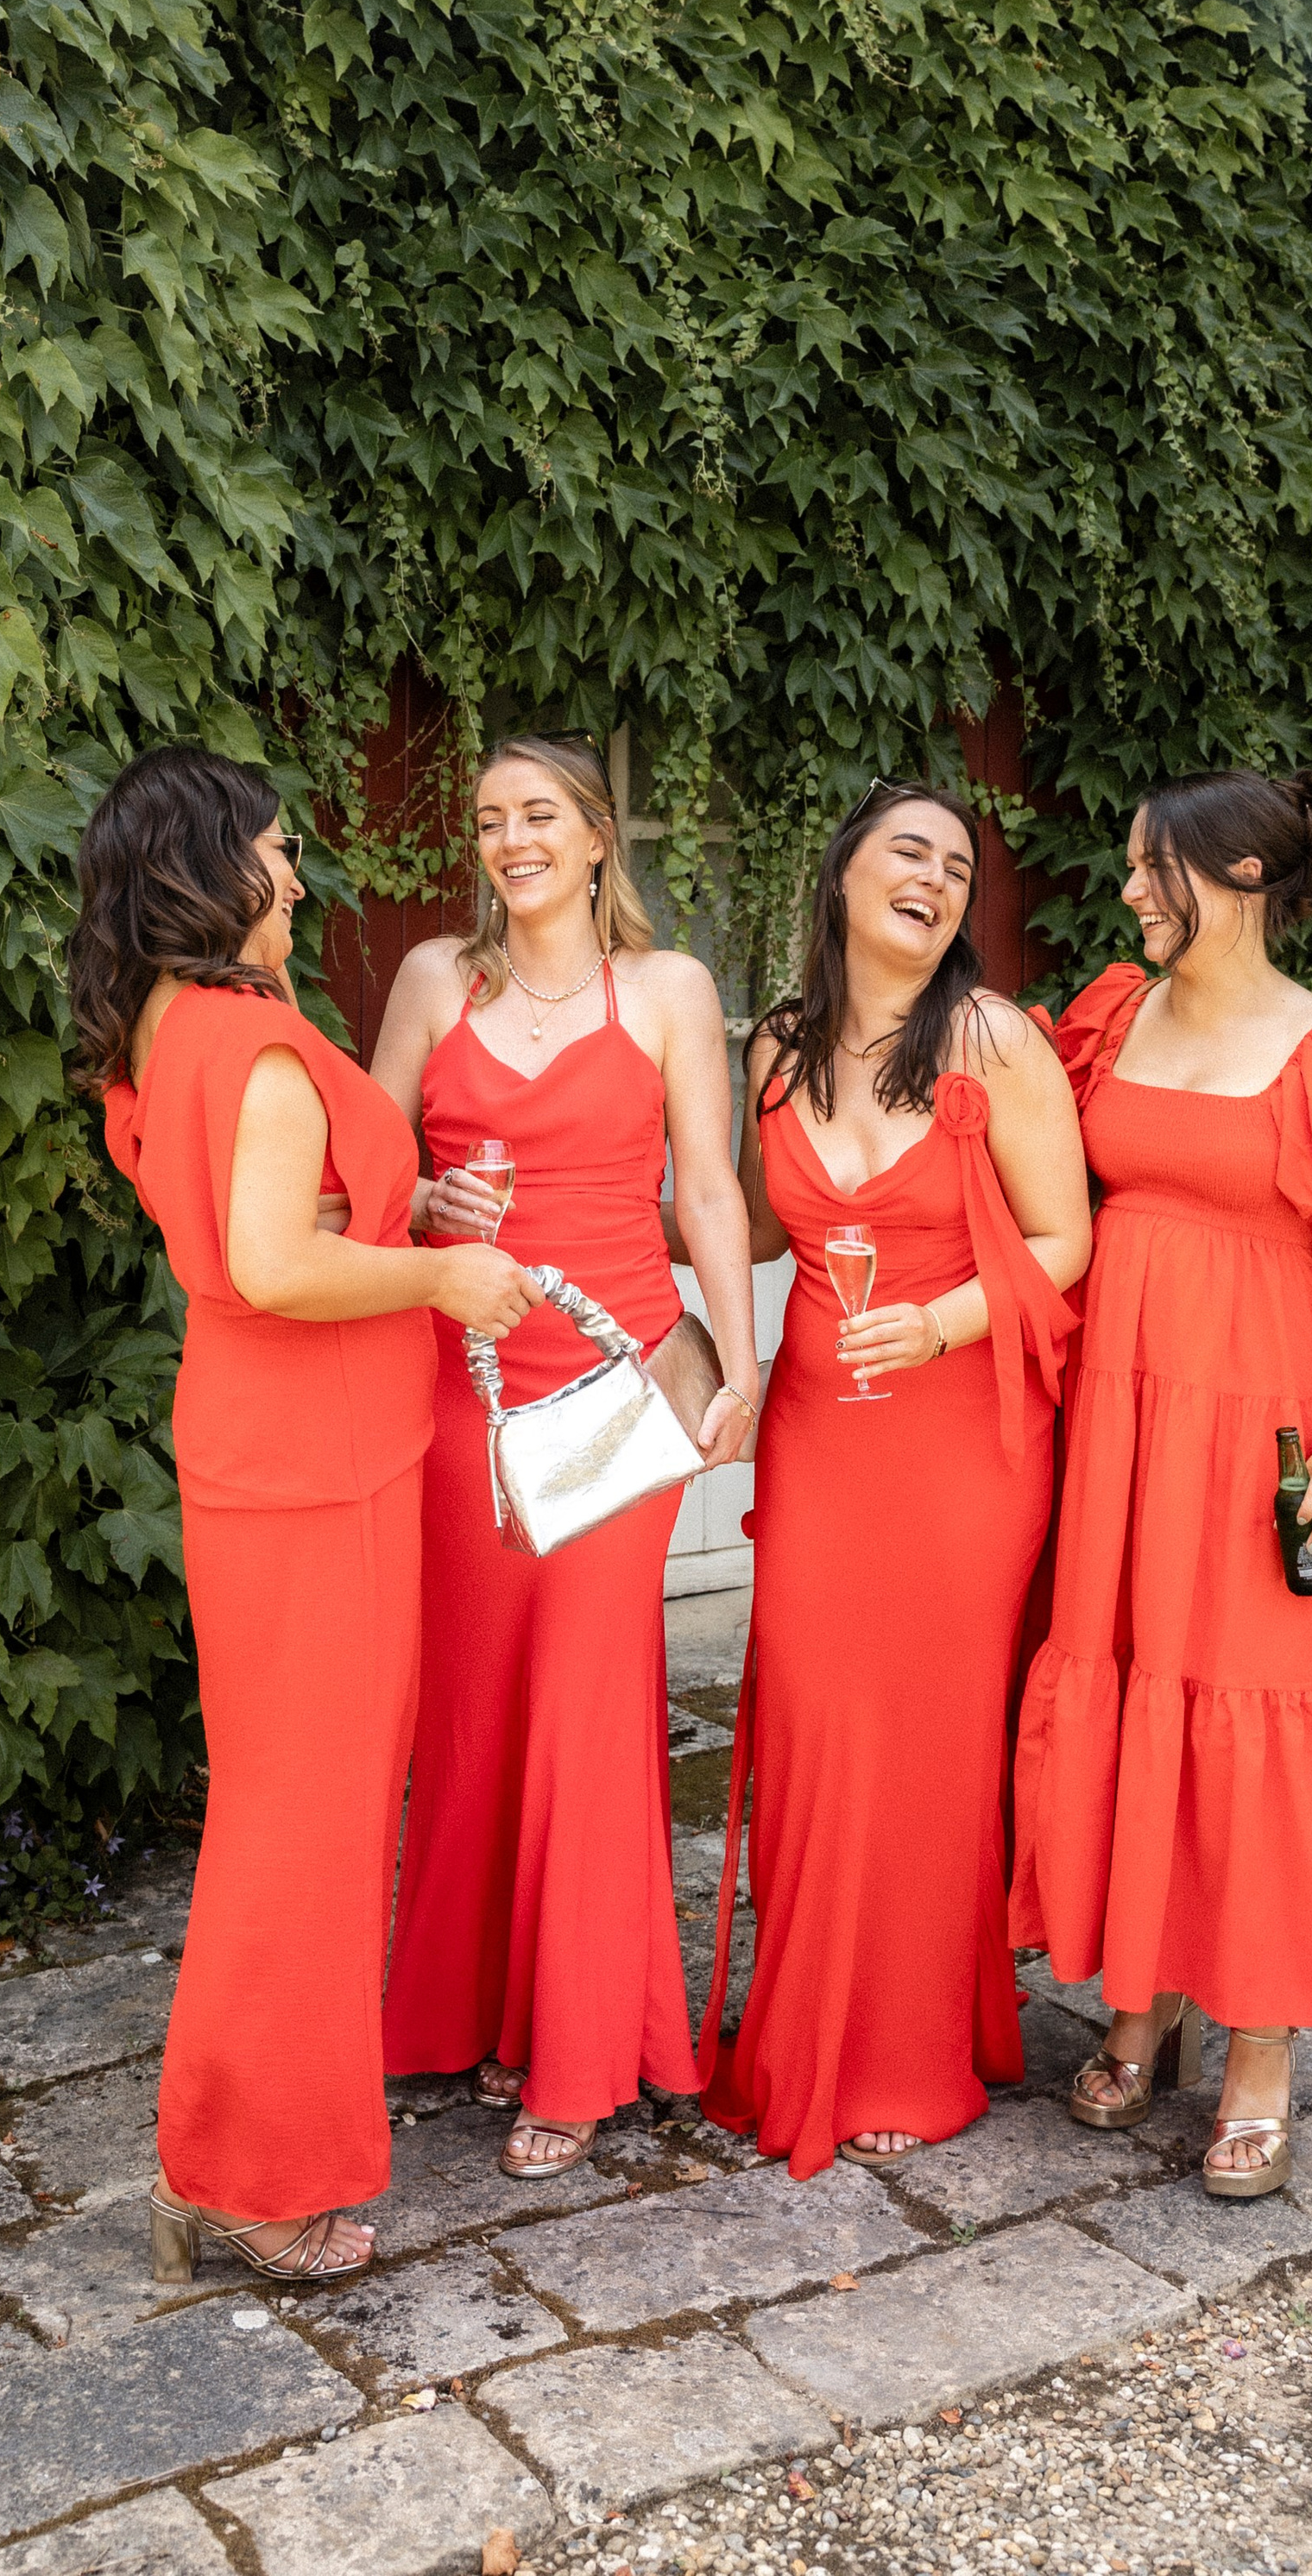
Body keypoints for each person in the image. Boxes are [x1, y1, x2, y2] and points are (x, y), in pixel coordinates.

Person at [70, 745, 539, 2285]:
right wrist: (441, 1272)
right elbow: (273, 1263)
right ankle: (244, 2178)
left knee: (288, 1813)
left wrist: (400, 1214)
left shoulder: (168, 1026)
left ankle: (239, 2153)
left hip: (270, 1450)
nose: (292, 871)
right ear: (208, 869)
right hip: (318, 1469)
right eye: (271, 848)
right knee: (306, 1828)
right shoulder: (253, 1043)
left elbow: (257, 1229)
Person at [1010, 770, 1312, 2198]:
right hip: (1120, 1418)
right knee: (1137, 1677)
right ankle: (1144, 1995)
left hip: (1255, 1425)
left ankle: (1259, 2043)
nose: (1129, 893)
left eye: (1155, 870)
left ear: (1244, 879)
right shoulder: (1111, 1017)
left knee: (1249, 1694)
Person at [371, 734, 759, 2177]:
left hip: (612, 1390)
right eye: (489, 819)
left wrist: (742, 1369)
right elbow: (363, 1169)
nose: (511, 840)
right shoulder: (435, 980)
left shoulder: (669, 990)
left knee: (591, 1708)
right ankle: (472, 2014)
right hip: (462, 1392)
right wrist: (429, 1202)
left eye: (539, 815)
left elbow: (707, 1190)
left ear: (598, 836)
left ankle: (582, 2055)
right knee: (476, 1704)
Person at [699, 781, 1092, 2177]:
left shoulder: (996, 1041)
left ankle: (910, 2049)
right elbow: (749, 1225)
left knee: (928, 1745)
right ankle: (810, 2026)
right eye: (909, 852)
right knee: (816, 1728)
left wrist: (939, 1322)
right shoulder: (778, 1045)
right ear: (844, 877)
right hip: (820, 1438)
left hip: (962, 1442)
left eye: (957, 867)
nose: (935, 877)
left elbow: (1064, 1242)